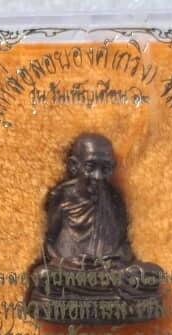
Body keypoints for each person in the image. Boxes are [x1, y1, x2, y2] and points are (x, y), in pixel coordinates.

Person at [25, 133, 163, 323]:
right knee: (44, 276)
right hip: (72, 273)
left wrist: (113, 262)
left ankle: (91, 301)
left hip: (111, 273)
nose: (98, 176)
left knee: (152, 274)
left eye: (105, 169)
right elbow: (49, 242)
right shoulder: (61, 196)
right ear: (74, 166)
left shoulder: (114, 198)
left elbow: (123, 244)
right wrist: (69, 263)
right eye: (91, 167)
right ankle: (111, 303)